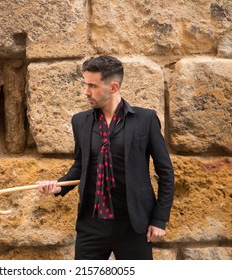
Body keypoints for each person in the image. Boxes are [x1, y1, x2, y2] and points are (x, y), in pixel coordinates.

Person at [37, 55, 174, 260]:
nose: (86, 92)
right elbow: (81, 165)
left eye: (92, 86)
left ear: (113, 87)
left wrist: (159, 219)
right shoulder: (80, 121)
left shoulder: (145, 120)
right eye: (86, 85)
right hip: (92, 225)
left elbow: (166, 172)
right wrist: (60, 186)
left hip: (133, 225)